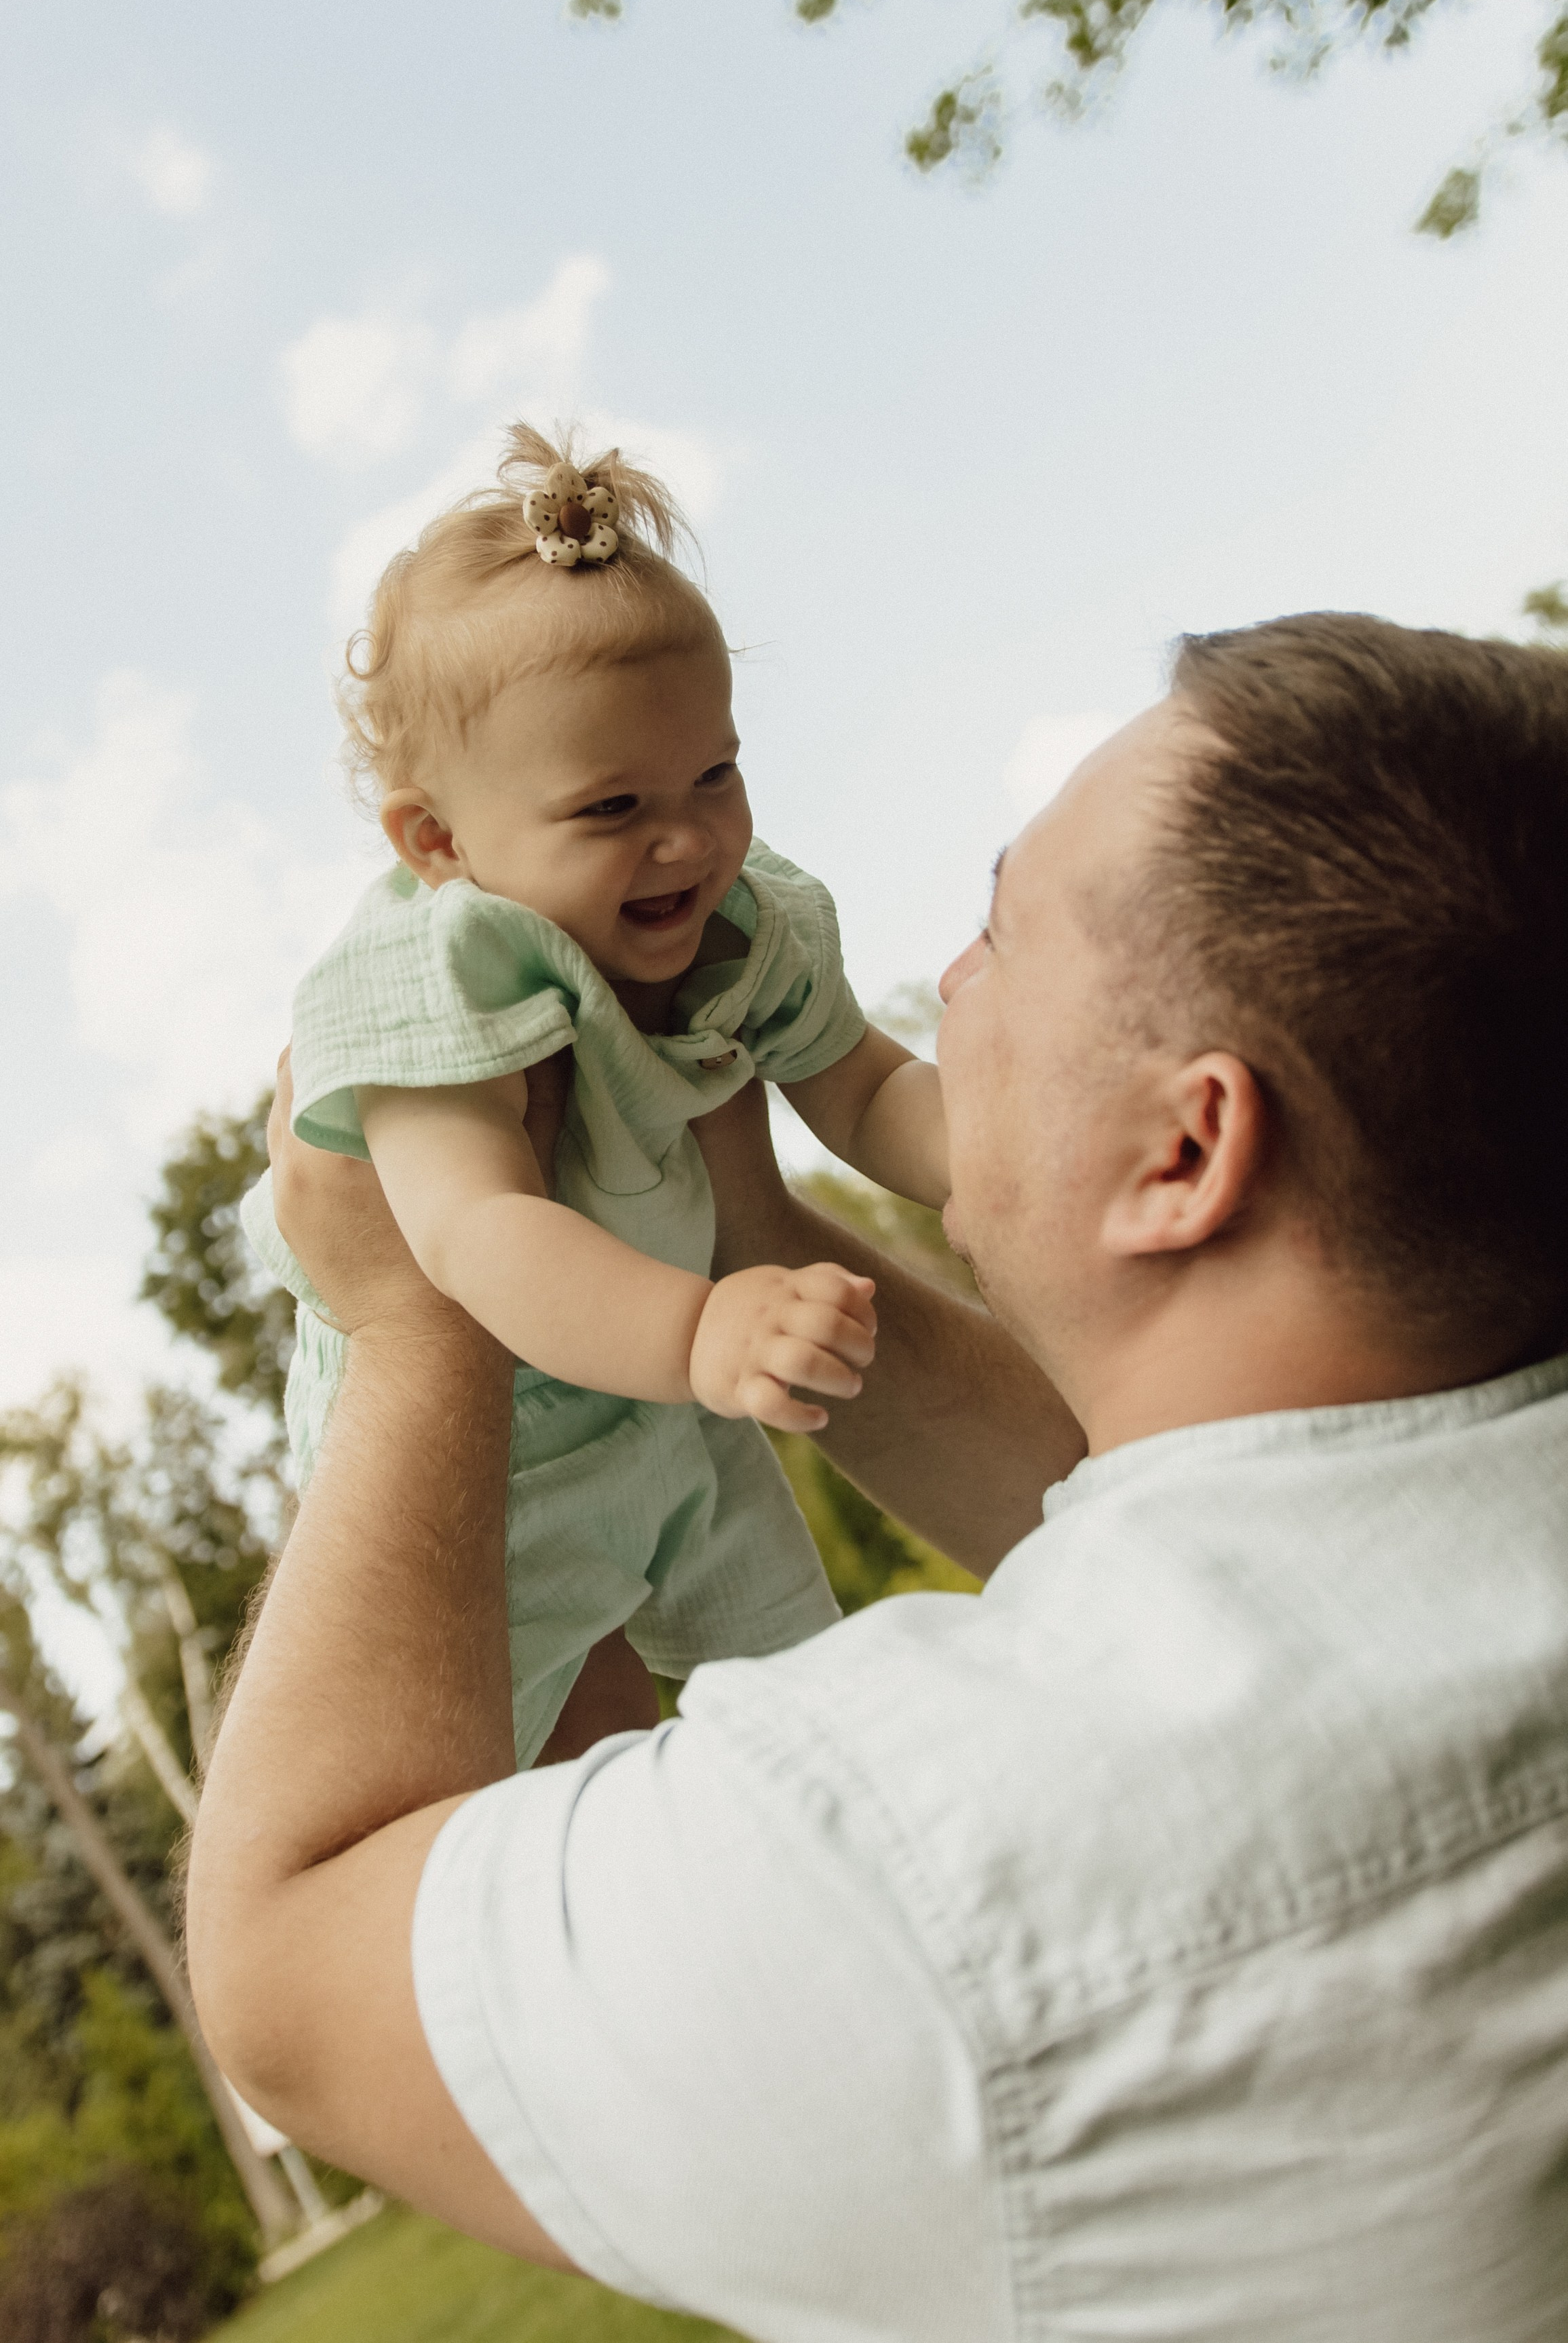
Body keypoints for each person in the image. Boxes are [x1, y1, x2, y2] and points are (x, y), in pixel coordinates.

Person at [187, 613, 1568, 2340]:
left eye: (1002, 934)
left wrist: (414, 1327)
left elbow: (291, 1971)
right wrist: (739, 1221)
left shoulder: (925, 1866)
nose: (948, 978)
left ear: (1185, 1144)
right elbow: (1183, 1519)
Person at [243, 422, 947, 1766]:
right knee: (461, 1778)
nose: (687, 837)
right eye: (612, 807)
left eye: (715, 773)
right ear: (437, 839)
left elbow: (865, 1090)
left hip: (674, 1409)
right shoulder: (434, 967)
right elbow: (475, 1232)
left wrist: (1005, 1152)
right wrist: (699, 1326)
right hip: (486, 1465)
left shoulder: (742, 925)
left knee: (827, 1707)